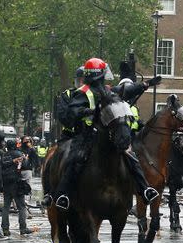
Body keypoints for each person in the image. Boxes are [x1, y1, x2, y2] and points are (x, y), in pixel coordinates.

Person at [51, 57, 160, 210]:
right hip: (86, 134)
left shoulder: (107, 90)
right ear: (98, 74)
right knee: (76, 158)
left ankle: (145, 189)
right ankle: (63, 195)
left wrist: (144, 84)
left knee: (129, 155)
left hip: (106, 133)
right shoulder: (82, 93)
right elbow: (73, 112)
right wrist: (90, 111)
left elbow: (126, 91)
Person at [1, 140, 30, 236]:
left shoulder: (4, 155)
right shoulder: (19, 154)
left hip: (6, 183)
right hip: (17, 183)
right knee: (21, 207)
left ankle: (5, 229)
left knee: (6, 206)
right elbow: (25, 166)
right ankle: (23, 228)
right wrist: (25, 159)